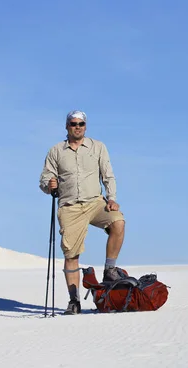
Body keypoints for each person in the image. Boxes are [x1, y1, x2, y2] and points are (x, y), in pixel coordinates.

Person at [39, 110, 127, 315]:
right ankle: (74, 301)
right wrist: (49, 185)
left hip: (96, 202)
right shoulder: (56, 151)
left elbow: (108, 175)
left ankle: (109, 270)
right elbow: (44, 180)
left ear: (85, 127)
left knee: (118, 222)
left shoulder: (98, 147)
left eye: (80, 124)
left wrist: (111, 198)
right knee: (71, 254)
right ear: (67, 126)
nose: (77, 127)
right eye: (73, 123)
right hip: (70, 206)